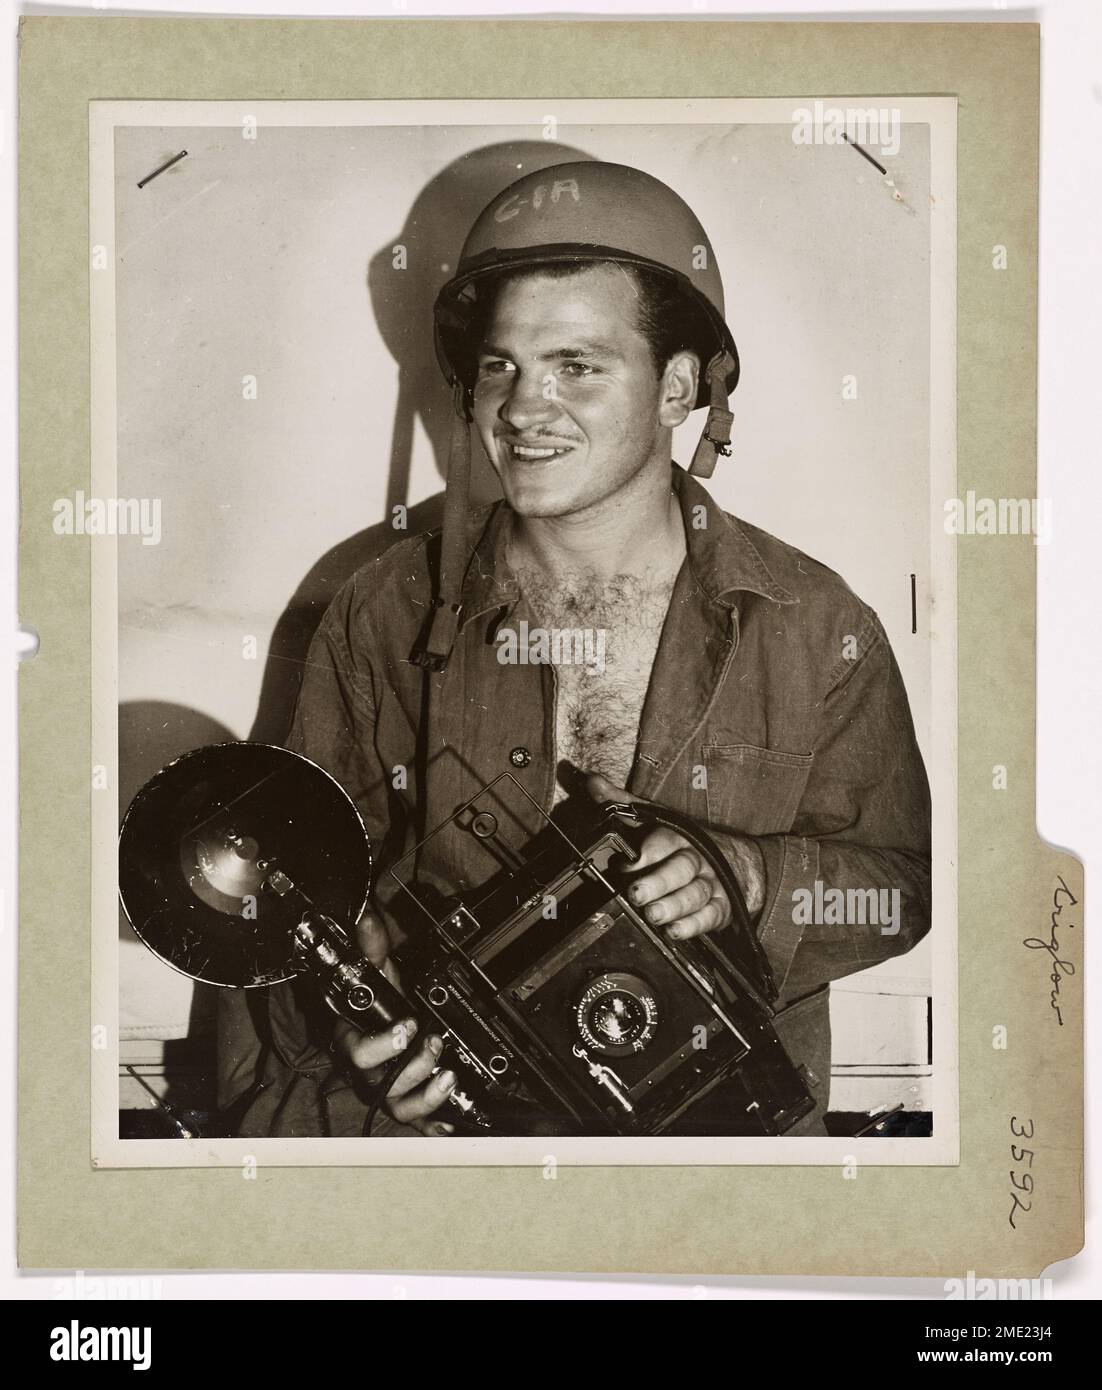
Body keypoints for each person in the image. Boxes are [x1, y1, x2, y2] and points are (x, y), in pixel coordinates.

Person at [217, 160, 932, 1139]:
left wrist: (750, 876)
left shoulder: (811, 625)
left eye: (576, 366)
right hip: (455, 1156)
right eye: (502, 365)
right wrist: (353, 1027)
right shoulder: (383, 610)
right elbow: (287, 895)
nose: (520, 406)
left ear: (679, 386)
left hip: (716, 1164)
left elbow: (900, 890)